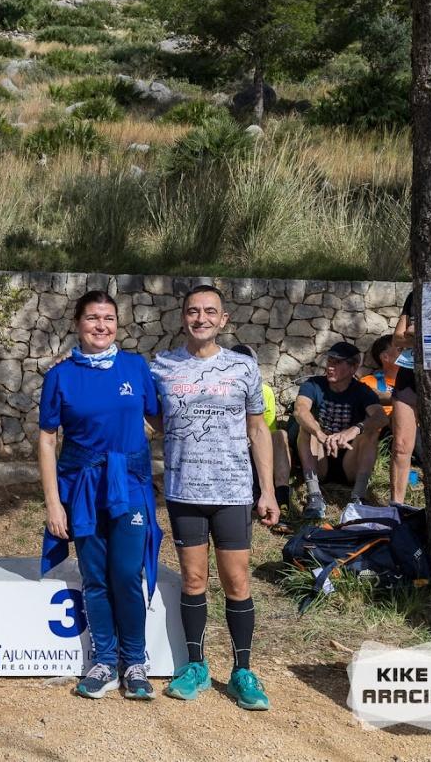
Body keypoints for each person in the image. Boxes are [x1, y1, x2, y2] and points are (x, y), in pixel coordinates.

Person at [152, 286, 279, 711]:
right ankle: (196, 665)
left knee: (237, 582)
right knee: (193, 581)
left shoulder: (243, 367)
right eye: (193, 311)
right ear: (182, 317)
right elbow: (153, 415)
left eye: (210, 311)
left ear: (223, 320)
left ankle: (242, 671)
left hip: (232, 491)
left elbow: (258, 429)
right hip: (184, 491)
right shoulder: (162, 366)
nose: (201, 318)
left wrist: (267, 490)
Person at [38, 290, 161, 701]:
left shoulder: (136, 367)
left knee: (126, 574)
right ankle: (105, 662)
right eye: (92, 318)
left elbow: (162, 419)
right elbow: (46, 440)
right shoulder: (60, 376)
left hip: (131, 486)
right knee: (95, 577)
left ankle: (135, 662)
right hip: (83, 490)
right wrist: (54, 503)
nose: (101, 326)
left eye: (108, 318)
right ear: (78, 323)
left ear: (118, 324)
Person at [286, 341, 388, 520]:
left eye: (337, 362)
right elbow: (300, 410)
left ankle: (359, 497)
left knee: (371, 431)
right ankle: (314, 495)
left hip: (350, 460)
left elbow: (381, 417)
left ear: (353, 367)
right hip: (320, 457)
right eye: (329, 361)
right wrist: (319, 434)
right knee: (306, 427)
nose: (330, 367)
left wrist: (354, 430)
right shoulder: (314, 384)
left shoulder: (362, 391)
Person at [231, 344, 293, 529]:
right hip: (231, 448)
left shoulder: (264, 391)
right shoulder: (220, 392)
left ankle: (282, 499)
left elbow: (266, 431)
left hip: (254, 445)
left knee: (280, 435)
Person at [389, 293, 418, 504]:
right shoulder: (414, 296)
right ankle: (396, 506)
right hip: (409, 377)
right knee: (400, 446)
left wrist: (415, 333)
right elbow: (398, 338)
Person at [359, 334, 398, 420]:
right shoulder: (368, 383)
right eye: (400, 349)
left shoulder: (416, 382)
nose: (407, 353)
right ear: (385, 357)